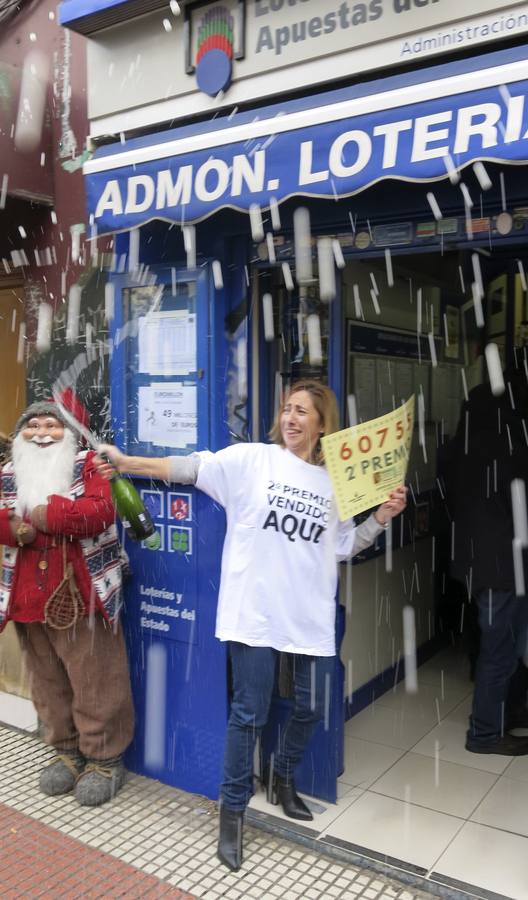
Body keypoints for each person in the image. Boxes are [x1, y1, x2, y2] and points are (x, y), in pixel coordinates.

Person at [96, 380, 407, 871]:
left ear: (322, 424)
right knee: (249, 714)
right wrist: (127, 463)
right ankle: (232, 813)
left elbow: (344, 546)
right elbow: (190, 468)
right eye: (286, 408)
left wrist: (383, 517)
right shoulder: (252, 460)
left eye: (303, 411)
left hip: (308, 614)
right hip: (254, 612)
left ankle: (282, 777)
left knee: (310, 706)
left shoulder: (333, 483)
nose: (291, 418)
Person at [0, 390, 134, 806]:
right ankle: (67, 750)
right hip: (26, 597)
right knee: (48, 681)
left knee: (96, 678)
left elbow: (97, 514)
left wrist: (37, 517)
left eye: (52, 424)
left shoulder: (90, 467)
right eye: (34, 425)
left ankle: (105, 757)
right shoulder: (8, 472)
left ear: (71, 431)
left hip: (81, 594)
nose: (42, 433)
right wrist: (15, 528)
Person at [449, 365, 528, 756]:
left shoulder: (460, 443)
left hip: (476, 562)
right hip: (504, 567)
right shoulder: (511, 445)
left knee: (495, 645)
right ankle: (484, 733)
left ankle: (506, 713)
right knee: (501, 651)